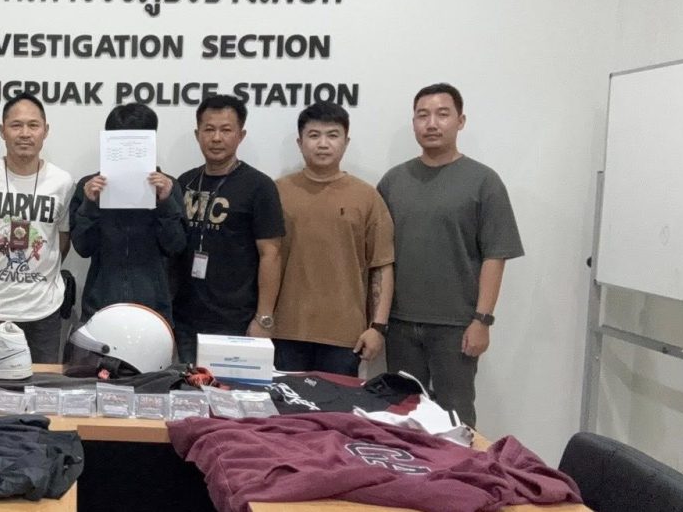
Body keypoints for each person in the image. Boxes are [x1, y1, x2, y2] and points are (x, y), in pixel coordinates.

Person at [376, 83, 524, 426]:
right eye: (422, 115)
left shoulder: (484, 181)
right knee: (400, 415)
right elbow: (379, 257)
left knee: (455, 418)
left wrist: (482, 320)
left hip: (455, 327)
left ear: (461, 121)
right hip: (400, 324)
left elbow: (495, 256)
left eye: (442, 114)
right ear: (414, 123)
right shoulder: (393, 181)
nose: (432, 123)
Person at [270, 101, 395, 376]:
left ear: (346, 142)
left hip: (345, 337)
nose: (323, 144)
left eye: (333, 135)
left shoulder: (367, 197)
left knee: (338, 405)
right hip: (285, 332)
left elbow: (381, 265)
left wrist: (377, 328)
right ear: (300, 142)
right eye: (314, 135)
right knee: (284, 404)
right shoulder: (277, 192)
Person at [0, 93, 73, 363]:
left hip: (44, 311)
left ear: (45, 131)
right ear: (2, 131)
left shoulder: (63, 182)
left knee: (41, 384)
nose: (25, 133)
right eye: (16, 125)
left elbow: (62, 240)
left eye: (33, 125)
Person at [173, 95, 285, 363]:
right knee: (190, 387)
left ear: (240, 135)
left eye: (226, 130)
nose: (216, 138)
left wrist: (264, 318)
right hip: (186, 318)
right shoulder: (184, 183)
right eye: (209, 129)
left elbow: (271, 254)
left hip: (237, 320)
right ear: (197, 134)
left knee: (229, 389)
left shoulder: (259, 186)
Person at [70, 103, 186, 323]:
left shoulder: (168, 187)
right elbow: (83, 247)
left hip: (153, 308)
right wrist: (90, 204)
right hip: (100, 306)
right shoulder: (90, 187)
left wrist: (165, 202)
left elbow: (176, 247)